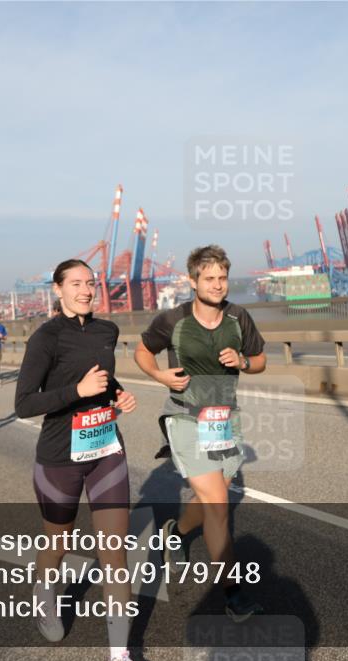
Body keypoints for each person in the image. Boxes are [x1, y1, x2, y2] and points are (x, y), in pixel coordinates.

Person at [134, 245, 267, 622]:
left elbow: (260, 360)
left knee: (213, 496)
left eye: (222, 278)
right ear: (193, 281)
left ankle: (175, 533)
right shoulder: (172, 320)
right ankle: (232, 594)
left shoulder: (239, 317)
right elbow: (143, 351)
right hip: (185, 417)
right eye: (209, 278)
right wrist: (158, 374)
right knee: (218, 505)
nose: (218, 285)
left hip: (225, 420)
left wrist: (242, 361)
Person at [15, 259, 137, 661]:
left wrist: (116, 394)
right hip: (59, 457)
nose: (86, 290)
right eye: (76, 283)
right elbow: (24, 404)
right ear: (58, 290)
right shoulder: (45, 339)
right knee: (58, 543)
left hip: (106, 450)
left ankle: (119, 655)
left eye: (91, 282)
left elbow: (102, 375)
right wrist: (77, 390)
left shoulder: (107, 330)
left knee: (115, 553)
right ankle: (44, 592)